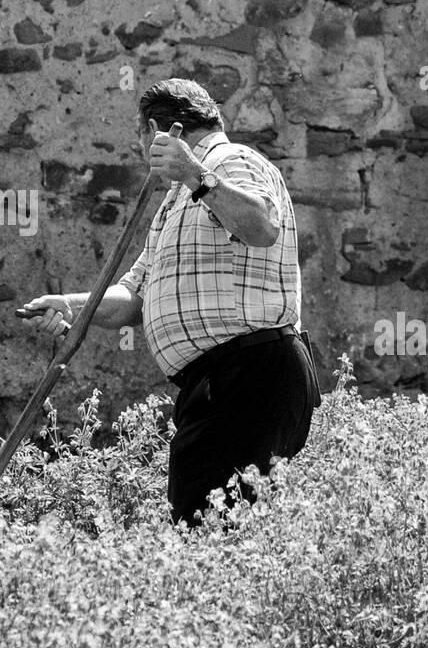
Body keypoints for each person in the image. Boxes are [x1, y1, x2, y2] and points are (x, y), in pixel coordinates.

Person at [22, 78, 318, 526]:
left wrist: (197, 174)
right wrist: (70, 305)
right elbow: (132, 298)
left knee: (213, 528)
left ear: (160, 130)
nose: (144, 150)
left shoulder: (231, 161)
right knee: (208, 519)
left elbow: (262, 226)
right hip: (220, 384)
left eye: (142, 137)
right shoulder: (176, 200)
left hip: (250, 373)